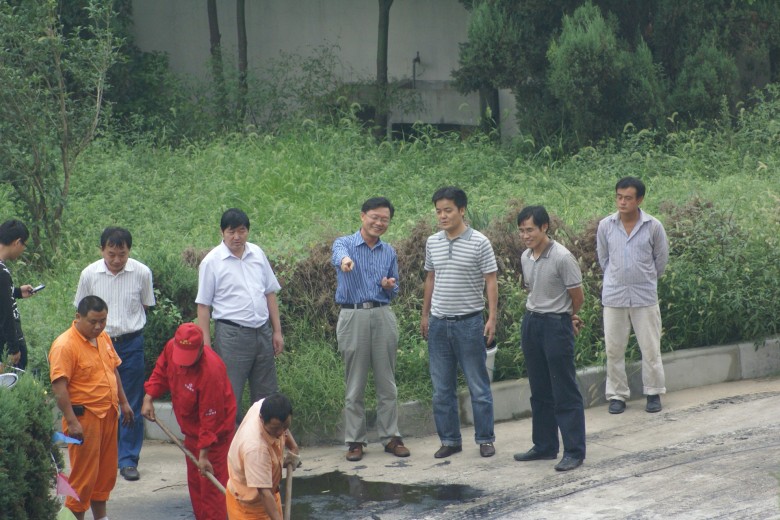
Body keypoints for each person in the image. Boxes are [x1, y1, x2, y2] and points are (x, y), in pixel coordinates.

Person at [420, 186, 498, 459]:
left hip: (469, 323)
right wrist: (425, 314)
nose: (442, 216)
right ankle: (450, 440)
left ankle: (485, 439)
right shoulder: (433, 242)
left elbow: (491, 280)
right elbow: (430, 278)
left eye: (448, 210)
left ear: (462, 210)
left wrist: (492, 317)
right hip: (439, 324)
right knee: (442, 389)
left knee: (478, 385)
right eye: (438, 211)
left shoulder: (479, 242)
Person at [332, 197, 410, 462]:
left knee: (387, 381)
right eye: (374, 217)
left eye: (384, 219)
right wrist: (345, 261)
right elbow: (338, 256)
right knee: (355, 382)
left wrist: (390, 286)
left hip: (382, 314)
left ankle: (391, 437)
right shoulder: (345, 243)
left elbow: (395, 287)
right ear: (363, 216)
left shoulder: (388, 251)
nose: (379, 223)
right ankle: (355, 441)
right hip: (353, 314)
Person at [75, 227, 155, 481]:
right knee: (100, 399)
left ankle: (128, 459)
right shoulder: (89, 274)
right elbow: (81, 312)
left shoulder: (142, 272)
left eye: (122, 254)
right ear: (102, 250)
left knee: (131, 400)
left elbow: (145, 305)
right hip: (98, 344)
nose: (117, 259)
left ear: (129, 250)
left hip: (131, 343)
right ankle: (103, 454)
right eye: (111, 254)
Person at [513, 205, 586, 472]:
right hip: (532, 323)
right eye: (521, 231)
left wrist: (566, 317)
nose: (525, 235)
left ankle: (574, 451)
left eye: (530, 230)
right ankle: (544, 445)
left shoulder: (562, 257)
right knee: (540, 389)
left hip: (556, 325)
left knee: (564, 389)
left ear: (544, 227)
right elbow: (534, 290)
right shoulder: (526, 256)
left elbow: (577, 296)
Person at [49, 295, 134, 520]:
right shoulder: (65, 345)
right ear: (78, 317)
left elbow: (113, 370)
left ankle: (101, 517)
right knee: (83, 479)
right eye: (93, 321)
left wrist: (124, 402)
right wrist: (72, 421)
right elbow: (59, 387)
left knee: (104, 475)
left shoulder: (103, 337)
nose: (98, 326)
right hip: (84, 420)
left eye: (103, 321)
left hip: (109, 414)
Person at [142, 323, 237, 520]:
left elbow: (211, 419)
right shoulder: (172, 347)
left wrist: (204, 455)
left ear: (201, 348)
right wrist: (149, 396)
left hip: (215, 439)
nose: (184, 364)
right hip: (191, 433)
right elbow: (161, 371)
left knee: (211, 492)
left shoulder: (211, 371)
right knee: (196, 486)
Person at [196, 208, 284, 420]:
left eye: (242, 231)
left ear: (248, 231)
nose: (237, 236)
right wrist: (206, 346)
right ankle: (230, 440)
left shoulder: (257, 253)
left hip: (262, 332)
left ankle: (262, 437)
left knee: (266, 394)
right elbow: (203, 306)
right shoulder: (212, 262)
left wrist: (277, 331)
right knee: (229, 394)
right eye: (231, 231)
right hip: (232, 336)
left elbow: (269, 292)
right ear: (222, 232)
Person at [597, 176, 669, 414]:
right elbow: (604, 259)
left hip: (644, 296)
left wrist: (644, 278)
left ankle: (653, 393)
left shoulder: (653, 226)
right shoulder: (606, 226)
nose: (622, 202)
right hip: (614, 296)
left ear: (640, 199)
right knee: (614, 349)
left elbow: (661, 260)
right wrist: (617, 278)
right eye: (619, 197)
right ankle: (617, 395)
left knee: (650, 347)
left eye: (628, 198)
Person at [226, 393, 300, 520]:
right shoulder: (256, 449)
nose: (280, 433)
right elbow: (264, 493)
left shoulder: (267, 406)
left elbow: (282, 426)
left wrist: (293, 447)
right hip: (249, 509)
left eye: (285, 426)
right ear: (261, 419)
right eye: (275, 429)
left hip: (271, 493)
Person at [0, 219, 34, 371]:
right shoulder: (2, 273)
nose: (23, 249)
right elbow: (6, 313)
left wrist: (17, 292)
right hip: (4, 345)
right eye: (24, 245)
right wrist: (14, 348)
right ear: (17, 242)